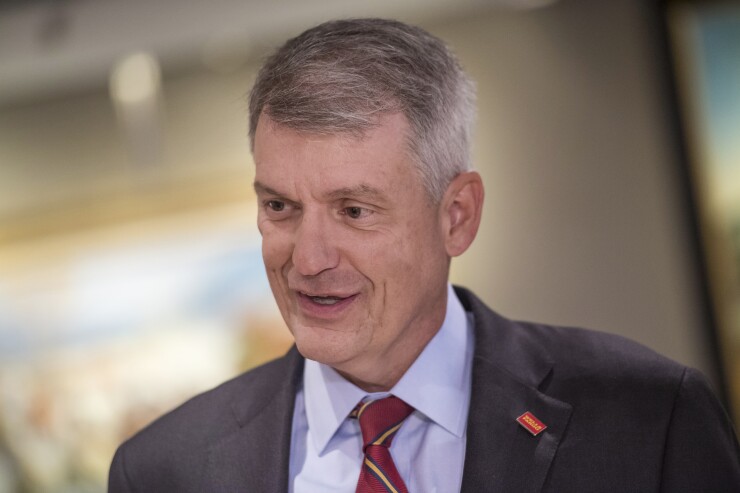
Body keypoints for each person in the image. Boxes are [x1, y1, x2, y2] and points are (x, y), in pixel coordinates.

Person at [108, 18, 740, 492]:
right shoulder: (165, 470)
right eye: (280, 207)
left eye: (354, 211)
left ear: (456, 217)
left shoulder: (650, 419)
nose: (308, 260)